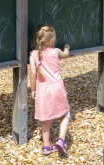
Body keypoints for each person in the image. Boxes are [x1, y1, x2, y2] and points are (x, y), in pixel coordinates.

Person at [30, 25, 71, 156]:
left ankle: (46, 146)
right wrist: (67, 47)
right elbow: (65, 55)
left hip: (42, 90)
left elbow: (32, 73)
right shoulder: (56, 51)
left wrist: (33, 89)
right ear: (51, 40)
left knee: (45, 118)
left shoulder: (33, 55)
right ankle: (61, 140)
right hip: (57, 87)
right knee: (65, 113)